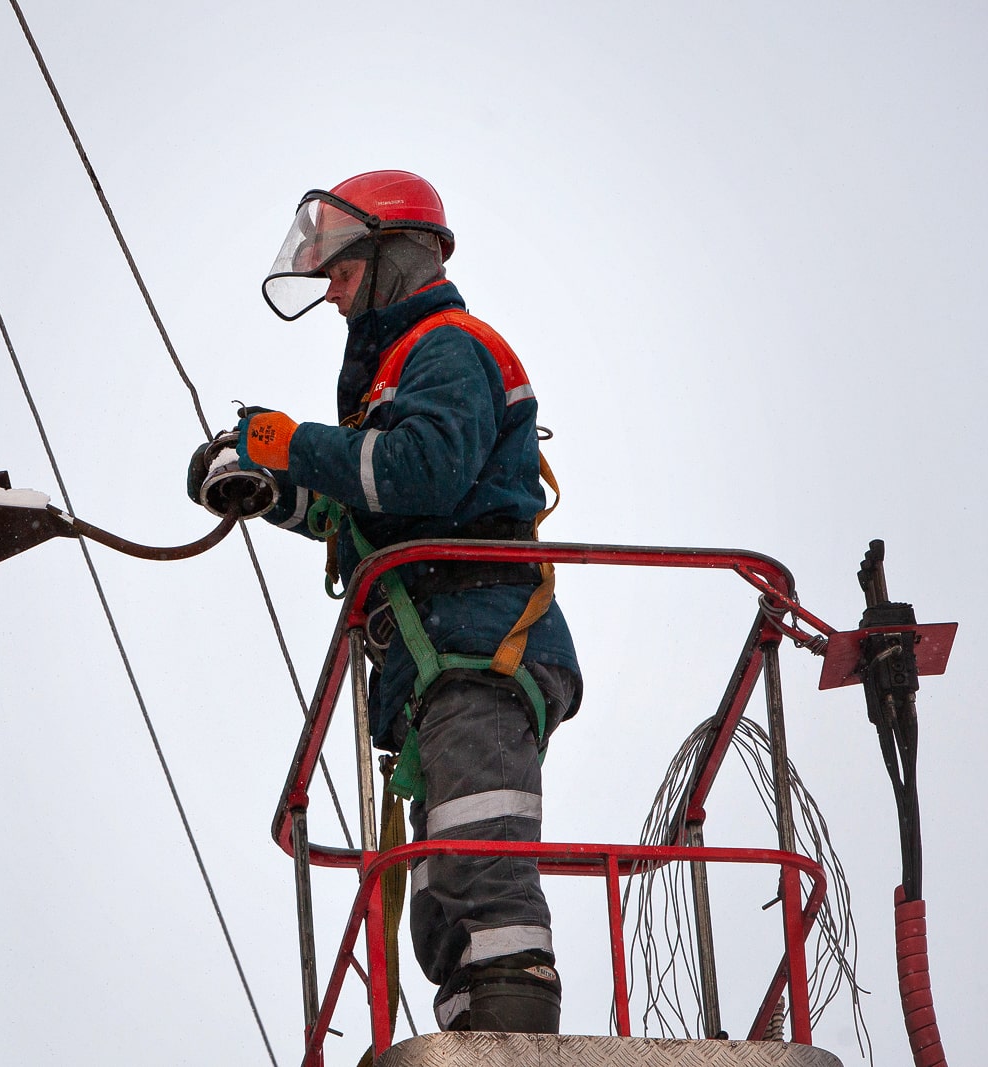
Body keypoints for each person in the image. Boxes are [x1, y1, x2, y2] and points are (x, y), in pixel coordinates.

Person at [189, 170, 582, 1033]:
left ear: (395, 257)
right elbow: (364, 509)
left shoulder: (449, 346)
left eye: (341, 272)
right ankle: (472, 1015)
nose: (331, 296)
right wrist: (272, 487)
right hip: (438, 653)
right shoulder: (391, 382)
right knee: (442, 867)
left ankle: (512, 992)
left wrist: (296, 443)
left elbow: (420, 473)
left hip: (483, 637)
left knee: (477, 835)